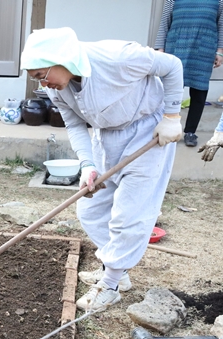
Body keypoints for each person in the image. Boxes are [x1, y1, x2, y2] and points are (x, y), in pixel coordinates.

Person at [20, 27, 183, 313]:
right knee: (91, 210)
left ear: (62, 59)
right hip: (107, 136)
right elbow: (73, 124)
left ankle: (109, 286)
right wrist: (88, 164)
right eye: (37, 80)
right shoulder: (57, 87)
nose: (43, 84)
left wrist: (171, 115)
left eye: (42, 75)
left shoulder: (118, 57)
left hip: (148, 130)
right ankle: (118, 271)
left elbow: (172, 65)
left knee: (129, 214)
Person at [154, 0, 223, 147]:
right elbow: (164, 22)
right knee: (167, 89)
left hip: (203, 47)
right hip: (176, 45)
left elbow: (221, 25)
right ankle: (164, 125)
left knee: (199, 92)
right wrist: (159, 48)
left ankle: (190, 131)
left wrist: (220, 51)